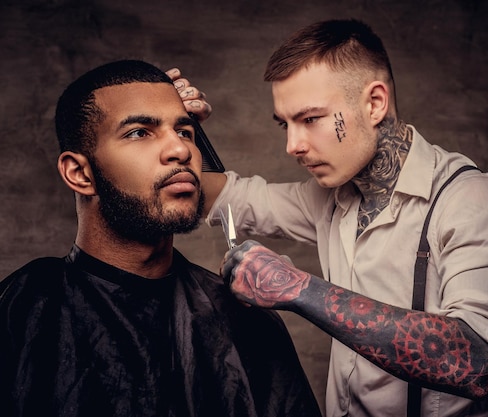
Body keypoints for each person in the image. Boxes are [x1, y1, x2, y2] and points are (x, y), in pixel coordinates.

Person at [174, 19, 488, 417]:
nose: (293, 145)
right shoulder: (331, 196)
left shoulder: (471, 198)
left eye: (310, 119)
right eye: (285, 124)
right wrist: (181, 130)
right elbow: (222, 197)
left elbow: (477, 361)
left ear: (374, 103)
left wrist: (297, 289)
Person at [0, 60, 322, 417]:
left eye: (185, 132)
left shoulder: (244, 318)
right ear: (80, 173)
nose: (181, 150)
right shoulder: (22, 308)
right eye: (139, 132)